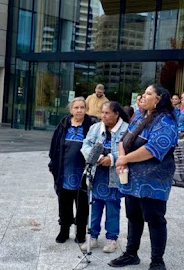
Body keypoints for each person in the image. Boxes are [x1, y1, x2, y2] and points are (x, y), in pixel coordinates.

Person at [110, 84, 178, 270]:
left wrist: (124, 159)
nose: (143, 96)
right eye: (144, 93)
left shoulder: (166, 122)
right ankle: (131, 253)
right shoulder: (140, 116)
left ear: (159, 99)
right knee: (133, 215)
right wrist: (122, 160)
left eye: (149, 94)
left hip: (154, 179)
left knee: (154, 218)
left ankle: (157, 261)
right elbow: (123, 138)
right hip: (132, 178)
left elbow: (153, 149)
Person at [81, 102, 129, 252]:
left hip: (114, 175)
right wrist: (98, 156)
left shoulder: (127, 129)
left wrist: (112, 159)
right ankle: (92, 236)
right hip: (96, 173)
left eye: (107, 113)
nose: (103, 116)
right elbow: (86, 145)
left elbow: (128, 150)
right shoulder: (95, 128)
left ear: (116, 114)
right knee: (94, 206)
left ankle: (111, 239)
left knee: (112, 207)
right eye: (102, 112)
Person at [48, 97, 96, 244]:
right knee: (64, 204)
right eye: (76, 108)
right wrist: (53, 165)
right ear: (71, 110)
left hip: (82, 173)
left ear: (86, 109)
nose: (79, 110)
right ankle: (64, 231)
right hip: (65, 172)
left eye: (82, 107)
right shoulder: (64, 125)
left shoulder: (92, 125)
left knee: (82, 205)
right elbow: (54, 146)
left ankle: (80, 233)